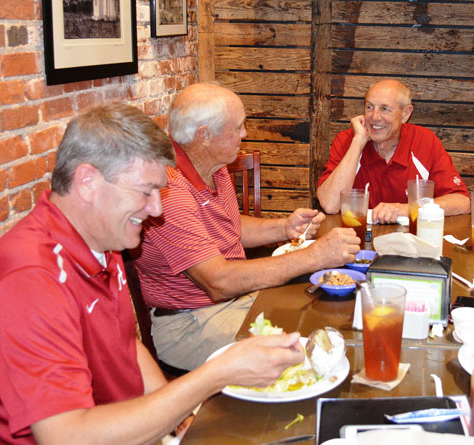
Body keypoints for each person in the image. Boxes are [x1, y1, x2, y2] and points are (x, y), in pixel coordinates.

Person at [0, 104, 304, 444]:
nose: (156, 209)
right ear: (87, 182)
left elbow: (125, 344)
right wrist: (215, 375)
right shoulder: (27, 282)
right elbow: (67, 437)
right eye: (146, 192)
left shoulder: (100, 238)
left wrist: (178, 419)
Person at [132, 83, 360, 371]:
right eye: (237, 127)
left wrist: (284, 227)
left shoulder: (215, 165)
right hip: (190, 323)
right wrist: (314, 256)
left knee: (324, 315)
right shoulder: (169, 190)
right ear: (205, 135)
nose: (245, 134)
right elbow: (219, 282)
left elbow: (229, 226)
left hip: (233, 302)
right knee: (306, 350)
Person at [317, 79, 470, 223]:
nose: (374, 117)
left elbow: (462, 202)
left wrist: (405, 209)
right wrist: (358, 142)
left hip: (412, 244)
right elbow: (330, 205)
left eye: (385, 109)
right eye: (369, 107)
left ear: (405, 114)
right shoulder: (347, 140)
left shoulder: (424, 140)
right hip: (356, 241)